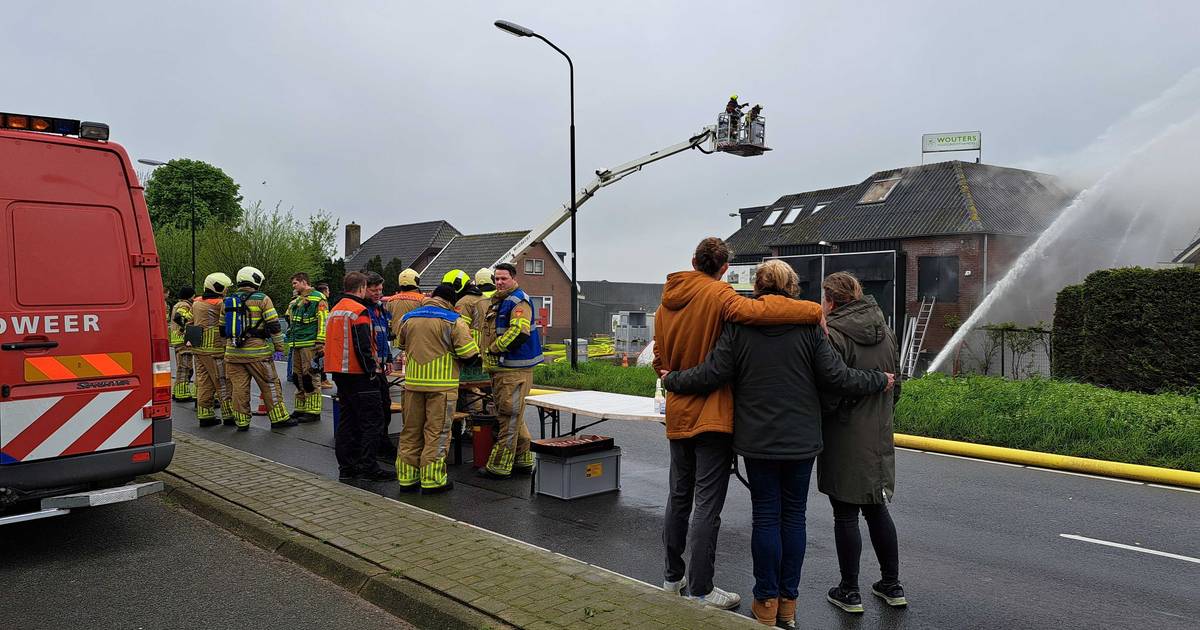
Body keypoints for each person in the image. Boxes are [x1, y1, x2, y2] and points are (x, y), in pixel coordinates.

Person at [663, 260, 893, 627]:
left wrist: (674, 379)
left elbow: (713, 373)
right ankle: (789, 605)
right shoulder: (810, 326)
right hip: (801, 442)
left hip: (757, 441)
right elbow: (837, 377)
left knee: (766, 518)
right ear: (791, 287)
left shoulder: (740, 326)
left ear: (759, 286)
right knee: (794, 519)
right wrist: (877, 380)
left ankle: (765, 605)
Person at [652, 237, 824, 611]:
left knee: (677, 497)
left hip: (678, 410)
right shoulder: (720, 295)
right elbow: (761, 314)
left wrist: (671, 377)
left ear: (693, 260)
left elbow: (660, 360)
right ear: (725, 267)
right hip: (712, 415)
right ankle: (700, 589)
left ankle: (670, 577)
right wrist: (814, 312)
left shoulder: (664, 304)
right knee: (706, 505)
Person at [817, 272, 907, 613]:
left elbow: (830, 390)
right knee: (876, 507)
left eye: (823, 299)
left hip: (843, 435)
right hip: (879, 433)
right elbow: (895, 386)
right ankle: (891, 584)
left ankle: (849, 590)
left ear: (832, 300)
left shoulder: (833, 336)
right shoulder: (887, 332)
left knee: (845, 514)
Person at [395, 280, 480, 493]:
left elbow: (400, 345)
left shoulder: (408, 318)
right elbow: (470, 355)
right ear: (451, 302)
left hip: (413, 384)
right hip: (441, 386)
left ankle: (406, 478)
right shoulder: (454, 321)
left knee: (410, 431)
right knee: (437, 433)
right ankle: (432, 480)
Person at [325, 271, 392, 481]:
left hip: (339, 372)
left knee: (348, 420)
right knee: (373, 421)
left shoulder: (335, 309)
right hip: (359, 374)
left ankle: (347, 466)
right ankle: (369, 467)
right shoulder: (359, 311)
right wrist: (371, 371)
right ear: (362, 288)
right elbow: (363, 345)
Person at [479, 263, 541, 479]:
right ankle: (523, 459)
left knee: (508, 417)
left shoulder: (517, 301)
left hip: (513, 370)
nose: (499, 282)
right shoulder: (501, 301)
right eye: (496, 278)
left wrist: (493, 348)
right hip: (505, 369)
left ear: (514, 279)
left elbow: (519, 332)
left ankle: (499, 465)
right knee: (515, 416)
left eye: (503, 278)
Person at [225, 266, 293, 431]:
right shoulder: (263, 299)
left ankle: (242, 422)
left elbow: (222, 329)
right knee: (270, 384)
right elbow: (274, 326)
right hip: (258, 354)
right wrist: (279, 348)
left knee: (239, 388)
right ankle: (279, 418)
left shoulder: (228, 300)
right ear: (255, 280)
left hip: (233, 353)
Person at [284, 272, 328, 423]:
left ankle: (313, 411)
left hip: (310, 343)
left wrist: (320, 341)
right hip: (297, 343)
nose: (294, 287)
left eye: (295, 283)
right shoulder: (296, 301)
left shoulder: (318, 298)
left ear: (304, 282)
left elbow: (323, 320)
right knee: (298, 377)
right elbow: (290, 318)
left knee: (310, 376)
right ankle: (300, 408)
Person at [192, 273, 233, 426]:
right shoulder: (219, 304)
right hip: (215, 349)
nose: (226, 291)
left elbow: (190, 321)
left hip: (199, 349)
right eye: (225, 288)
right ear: (219, 287)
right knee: (222, 382)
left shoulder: (196, 302)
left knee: (204, 383)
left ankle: (205, 415)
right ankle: (229, 415)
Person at [365, 272, 398, 459]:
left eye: (380, 289)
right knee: (375, 410)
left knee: (384, 406)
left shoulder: (380, 310)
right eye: (374, 290)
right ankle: (378, 446)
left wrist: (389, 360)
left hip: (380, 367)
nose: (378, 293)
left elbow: (383, 338)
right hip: (369, 369)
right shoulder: (364, 309)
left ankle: (382, 441)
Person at [169, 286, 197, 402]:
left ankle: (177, 391)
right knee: (186, 368)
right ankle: (182, 394)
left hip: (178, 340)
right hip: (183, 341)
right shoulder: (184, 305)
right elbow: (179, 317)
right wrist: (185, 327)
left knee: (182, 367)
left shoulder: (177, 304)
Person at [316, 282, 334, 389]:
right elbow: (322, 320)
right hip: (321, 336)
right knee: (320, 358)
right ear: (323, 291)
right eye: (327, 290)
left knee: (320, 358)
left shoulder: (322, 301)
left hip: (321, 335)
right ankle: (322, 379)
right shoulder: (322, 302)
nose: (329, 292)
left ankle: (323, 378)